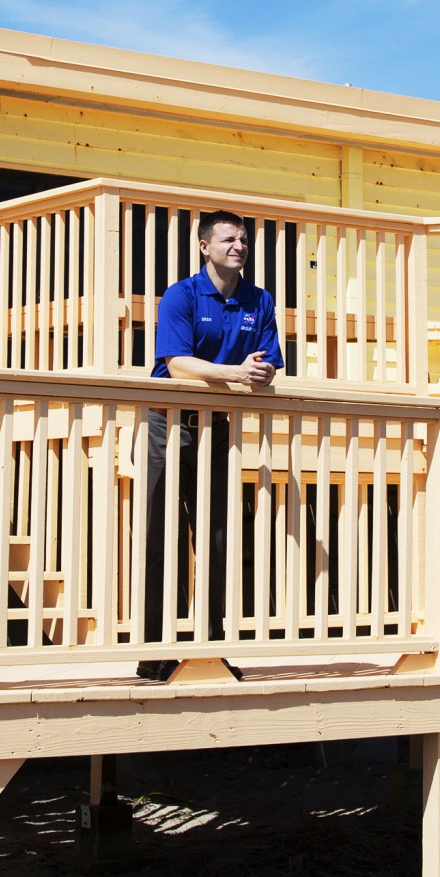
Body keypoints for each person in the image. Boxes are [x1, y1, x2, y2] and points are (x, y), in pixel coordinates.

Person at [137, 210, 283, 681]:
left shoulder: (259, 300)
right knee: (162, 539)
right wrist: (237, 372)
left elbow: (268, 364)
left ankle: (210, 648)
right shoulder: (180, 295)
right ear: (205, 247)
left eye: (243, 239)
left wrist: (258, 373)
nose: (238, 245)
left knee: (219, 541)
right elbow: (177, 364)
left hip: (219, 428)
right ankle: (155, 650)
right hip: (168, 424)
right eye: (227, 239)